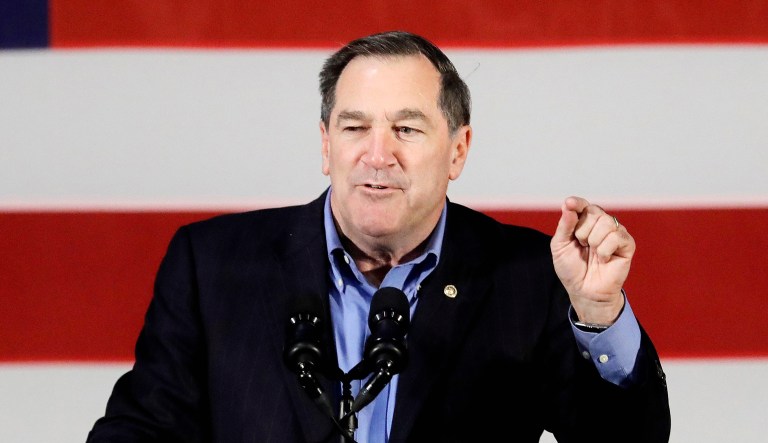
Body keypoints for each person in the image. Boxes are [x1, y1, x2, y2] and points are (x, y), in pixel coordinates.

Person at [87, 30, 671, 443]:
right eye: (355, 126)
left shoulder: (525, 276)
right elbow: (144, 429)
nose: (377, 154)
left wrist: (598, 314)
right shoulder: (211, 265)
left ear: (458, 150)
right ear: (325, 144)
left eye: (407, 128)